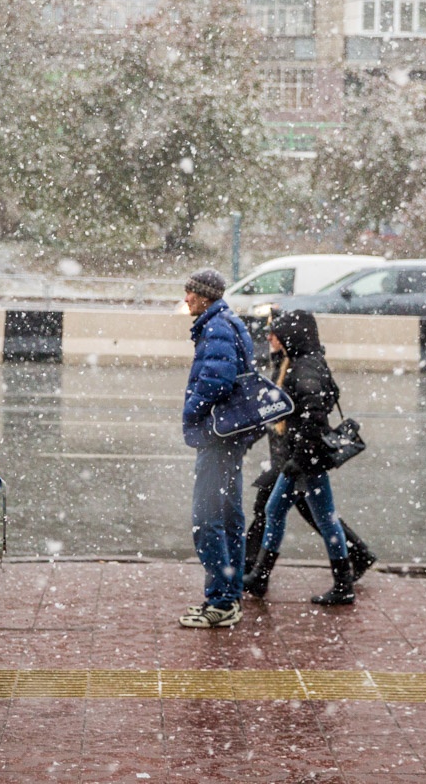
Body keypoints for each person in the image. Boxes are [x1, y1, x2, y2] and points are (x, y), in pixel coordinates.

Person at [245, 315, 377, 583]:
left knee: (272, 510)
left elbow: (313, 412)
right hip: (293, 454)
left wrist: (300, 455)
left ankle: (254, 571)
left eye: (275, 334)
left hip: (298, 456)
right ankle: (354, 561)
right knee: (310, 513)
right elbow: (277, 409)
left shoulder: (303, 366)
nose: (269, 338)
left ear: (291, 339)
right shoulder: (289, 362)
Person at [179, 267, 258, 629]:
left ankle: (222, 600)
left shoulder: (216, 328)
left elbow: (216, 382)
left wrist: (191, 412)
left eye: (191, 293)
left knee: (206, 519)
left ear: (205, 296)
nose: (186, 298)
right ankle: (230, 595)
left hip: (218, 437)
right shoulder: (225, 322)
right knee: (228, 516)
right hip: (231, 436)